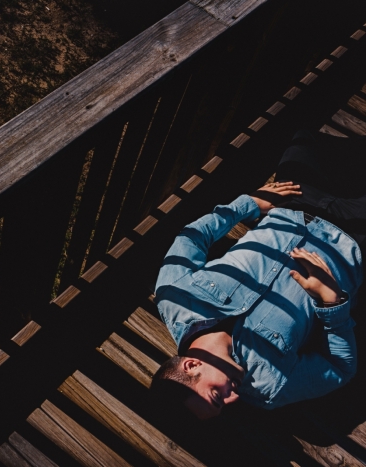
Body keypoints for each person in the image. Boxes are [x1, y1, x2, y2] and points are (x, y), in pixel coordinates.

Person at [152, 130, 366, 419]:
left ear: (191, 366)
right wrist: (331, 301)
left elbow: (191, 239)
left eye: (217, 396)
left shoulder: (175, 297)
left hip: (294, 203)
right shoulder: (270, 387)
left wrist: (248, 204)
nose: (232, 399)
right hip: (354, 242)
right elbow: (341, 369)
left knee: (303, 141)